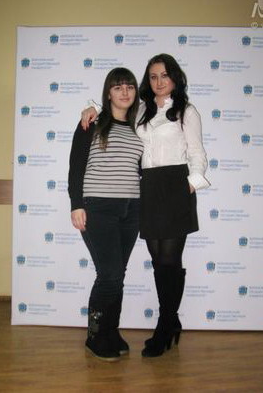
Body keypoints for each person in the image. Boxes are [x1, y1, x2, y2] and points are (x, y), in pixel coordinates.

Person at [81, 54, 210, 357]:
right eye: (153, 76)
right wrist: (92, 107)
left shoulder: (186, 110)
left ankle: (165, 324)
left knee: (170, 260)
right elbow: (115, 106)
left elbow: (197, 152)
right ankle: (171, 322)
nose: (159, 82)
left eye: (164, 75)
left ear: (175, 77)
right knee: (157, 260)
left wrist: (190, 185)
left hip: (175, 185)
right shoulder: (141, 109)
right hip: (148, 188)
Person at [68, 67, 143, 362]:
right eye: (117, 87)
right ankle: (95, 335)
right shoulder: (92, 124)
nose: (124, 92)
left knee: (118, 275)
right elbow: (76, 166)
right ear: (108, 93)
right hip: (98, 207)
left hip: (132, 208)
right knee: (109, 275)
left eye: (130, 86)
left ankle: (111, 331)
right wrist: (76, 204)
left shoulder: (140, 126)